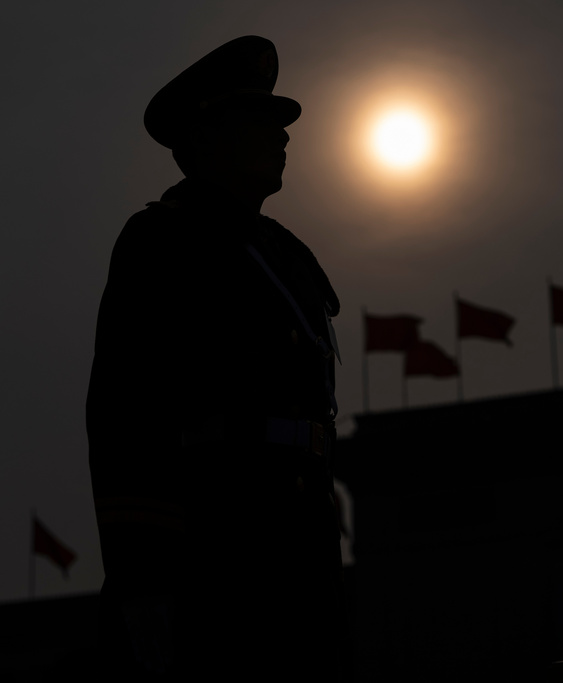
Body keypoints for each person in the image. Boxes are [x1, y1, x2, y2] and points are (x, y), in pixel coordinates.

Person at [86, 35, 344, 679]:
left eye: (281, 124)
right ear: (202, 139)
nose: (282, 137)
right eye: (260, 121)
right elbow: (127, 416)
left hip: (299, 554)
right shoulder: (164, 242)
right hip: (214, 552)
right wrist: (145, 579)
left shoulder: (286, 255)